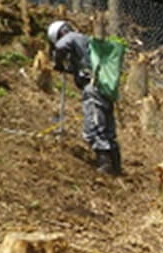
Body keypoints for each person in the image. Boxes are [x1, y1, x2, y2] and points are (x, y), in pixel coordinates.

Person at [47, 20, 121, 175]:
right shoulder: (86, 41)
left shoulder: (72, 37)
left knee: (94, 126)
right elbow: (81, 66)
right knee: (107, 126)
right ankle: (116, 165)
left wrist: (58, 63)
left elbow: (60, 47)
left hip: (92, 89)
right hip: (103, 90)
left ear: (60, 34)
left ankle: (105, 164)